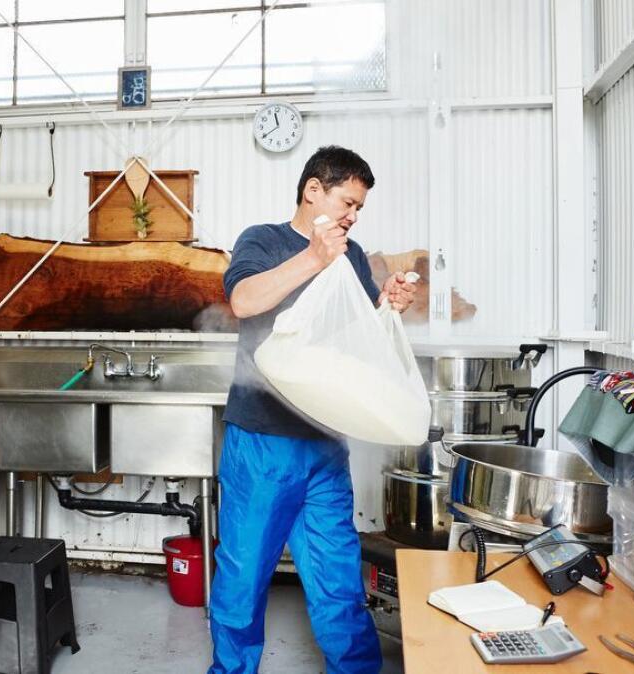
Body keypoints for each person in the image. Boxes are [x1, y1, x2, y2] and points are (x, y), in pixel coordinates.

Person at [209, 145, 417, 674]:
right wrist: (313, 258)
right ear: (313, 190)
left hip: (325, 444)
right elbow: (244, 301)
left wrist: (385, 307)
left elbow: (353, 334)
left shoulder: (351, 254)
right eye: (348, 202)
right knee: (242, 582)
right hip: (263, 443)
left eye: (359, 208)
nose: (352, 215)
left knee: (339, 584)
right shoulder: (264, 239)